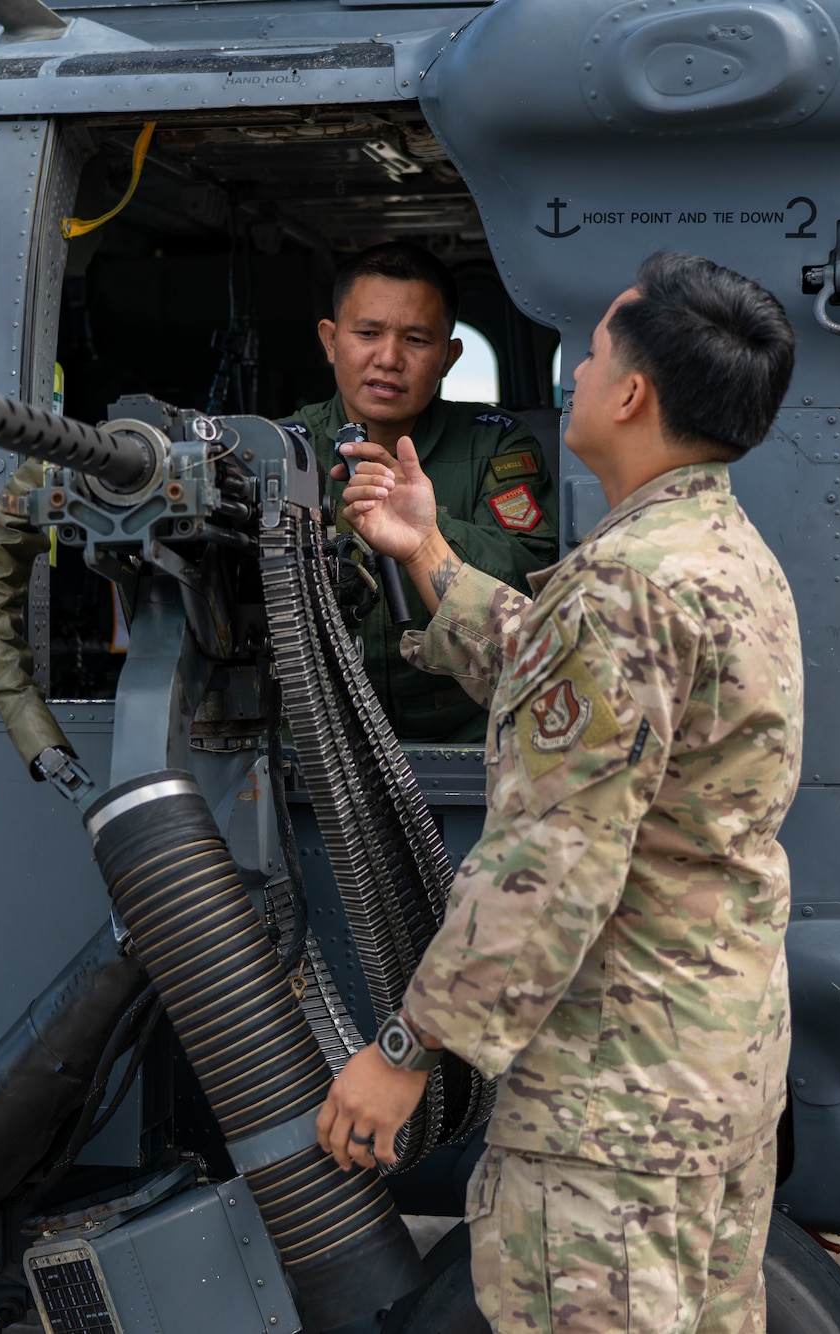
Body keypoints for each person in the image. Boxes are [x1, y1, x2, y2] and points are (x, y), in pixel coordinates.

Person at [315, 251, 803, 1333]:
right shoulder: (719, 552)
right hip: (710, 1070)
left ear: (631, 394)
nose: (574, 376)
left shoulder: (624, 586)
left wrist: (406, 1048)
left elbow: (550, 865)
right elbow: (570, 683)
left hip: (610, 1103)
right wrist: (427, 550)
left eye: (588, 357)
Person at [284, 241, 558, 744]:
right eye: (367, 333)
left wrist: (429, 534)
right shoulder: (282, 450)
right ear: (330, 340)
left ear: (449, 356)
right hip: (323, 744)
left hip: (471, 735)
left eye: (415, 339)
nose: (388, 359)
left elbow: (533, 575)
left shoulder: (493, 441)